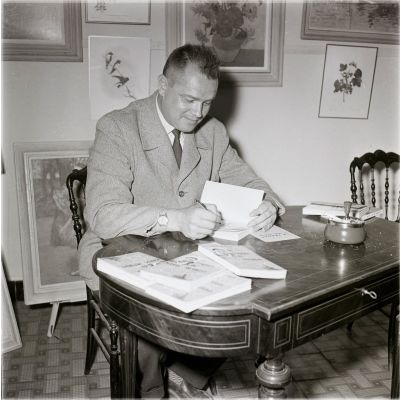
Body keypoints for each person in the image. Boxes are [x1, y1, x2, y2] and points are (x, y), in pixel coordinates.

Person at [79, 44, 285, 399]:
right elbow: (102, 215)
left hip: (185, 252)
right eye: (189, 100)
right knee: (145, 324)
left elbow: (247, 179)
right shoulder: (118, 128)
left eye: (207, 102)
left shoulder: (213, 132)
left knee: (240, 306)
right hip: (120, 251)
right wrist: (174, 217)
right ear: (163, 85)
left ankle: (184, 374)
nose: (198, 113)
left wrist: (267, 202)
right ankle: (152, 391)